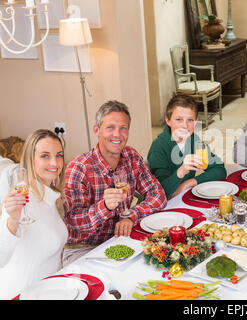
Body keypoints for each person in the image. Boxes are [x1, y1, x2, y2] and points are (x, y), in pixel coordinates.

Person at [63, 100, 167, 266]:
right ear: (96, 130)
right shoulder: (79, 168)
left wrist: (131, 216)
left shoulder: (131, 157)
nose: (117, 135)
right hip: (83, 248)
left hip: (119, 241)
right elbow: (74, 223)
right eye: (110, 127)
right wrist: (104, 207)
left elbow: (158, 195)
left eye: (123, 128)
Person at [0, 129, 67, 299]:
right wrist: (12, 220)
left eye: (59, 155)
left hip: (49, 290)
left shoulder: (50, 195)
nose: (55, 162)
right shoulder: (20, 196)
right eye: (45, 155)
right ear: (31, 160)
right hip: (21, 293)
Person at [147, 94, 227, 199]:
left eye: (190, 120)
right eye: (179, 119)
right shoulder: (158, 148)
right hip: (164, 206)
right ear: (168, 120)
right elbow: (159, 193)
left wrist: (188, 183)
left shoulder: (193, 140)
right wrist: (181, 172)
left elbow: (219, 169)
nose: (185, 126)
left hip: (183, 197)